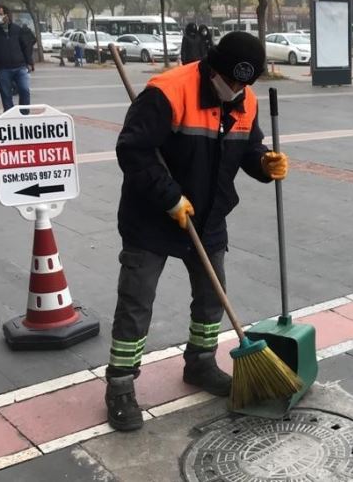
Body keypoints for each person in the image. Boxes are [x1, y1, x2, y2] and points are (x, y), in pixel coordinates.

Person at [105, 31, 289, 431]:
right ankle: (120, 384)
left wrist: (263, 163)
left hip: (208, 217)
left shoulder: (245, 100)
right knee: (137, 301)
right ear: (212, 68)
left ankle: (201, 362)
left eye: (245, 83)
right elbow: (132, 150)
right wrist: (170, 198)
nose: (237, 89)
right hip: (152, 215)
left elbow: (248, 147)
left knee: (211, 298)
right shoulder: (168, 91)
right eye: (232, 81)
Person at [0, 5, 33, 111]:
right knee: (6, 94)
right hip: (2, 68)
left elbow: (25, 47)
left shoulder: (17, 29)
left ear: (6, 15)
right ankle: (9, 117)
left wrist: (29, 62)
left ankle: (24, 114)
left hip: (20, 66)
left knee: (24, 90)